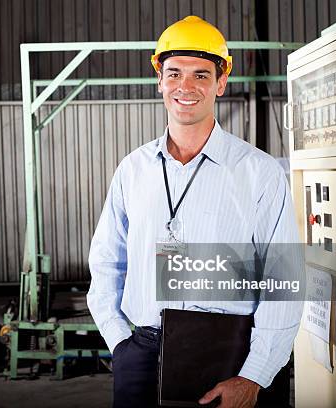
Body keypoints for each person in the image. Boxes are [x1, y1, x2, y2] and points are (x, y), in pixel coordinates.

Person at [87, 15, 303, 408]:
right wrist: (121, 341)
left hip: (232, 351)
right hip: (144, 350)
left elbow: (282, 279)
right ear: (160, 81)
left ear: (221, 83)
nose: (185, 87)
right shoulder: (133, 169)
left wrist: (254, 375)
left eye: (200, 75)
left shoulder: (259, 172)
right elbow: (106, 261)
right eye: (174, 74)